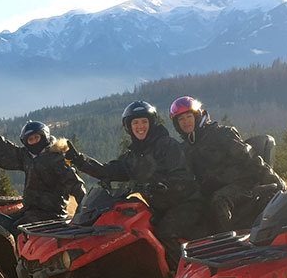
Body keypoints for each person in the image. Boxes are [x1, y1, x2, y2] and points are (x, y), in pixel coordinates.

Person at [65, 100, 203, 265]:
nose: (140, 126)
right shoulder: (133, 154)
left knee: (165, 233)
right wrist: (81, 161)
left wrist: (161, 186)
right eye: (135, 122)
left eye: (144, 122)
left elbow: (183, 177)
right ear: (129, 127)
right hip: (159, 206)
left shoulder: (167, 145)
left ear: (151, 123)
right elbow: (109, 170)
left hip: (186, 204)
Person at [169, 96, 283, 232]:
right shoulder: (186, 148)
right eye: (181, 119)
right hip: (216, 190)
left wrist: (276, 180)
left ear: (197, 116)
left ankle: (231, 245)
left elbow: (250, 157)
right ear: (176, 124)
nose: (186, 122)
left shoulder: (221, 134)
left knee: (219, 200)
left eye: (189, 116)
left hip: (244, 184)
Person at [0, 121, 86, 226]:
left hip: (52, 214)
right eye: (30, 140)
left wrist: (85, 211)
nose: (34, 142)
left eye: (36, 137)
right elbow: (9, 151)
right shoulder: (29, 157)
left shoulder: (56, 159)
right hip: (30, 210)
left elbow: (75, 185)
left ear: (44, 136)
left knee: (14, 228)